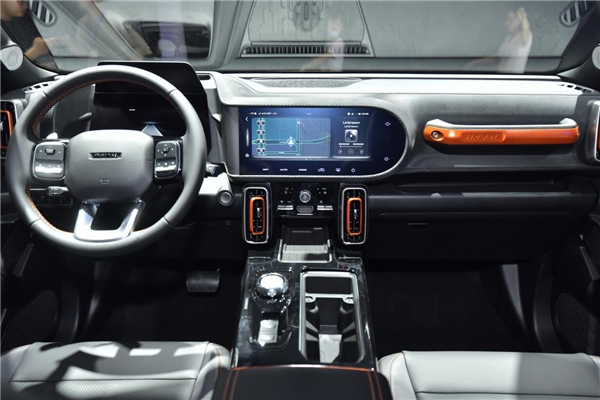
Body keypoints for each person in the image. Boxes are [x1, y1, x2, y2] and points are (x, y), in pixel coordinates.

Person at [468, 7, 532, 73]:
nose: (506, 23)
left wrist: (523, 17)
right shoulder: (507, 39)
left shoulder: (524, 37)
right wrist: (475, 62)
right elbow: (496, 58)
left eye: (510, 20)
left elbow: (526, 30)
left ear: (518, 21)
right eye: (506, 20)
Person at [1, 0, 57, 69]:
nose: (26, 5)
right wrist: (35, 50)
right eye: (22, 1)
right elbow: (7, 69)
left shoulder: (25, 17)